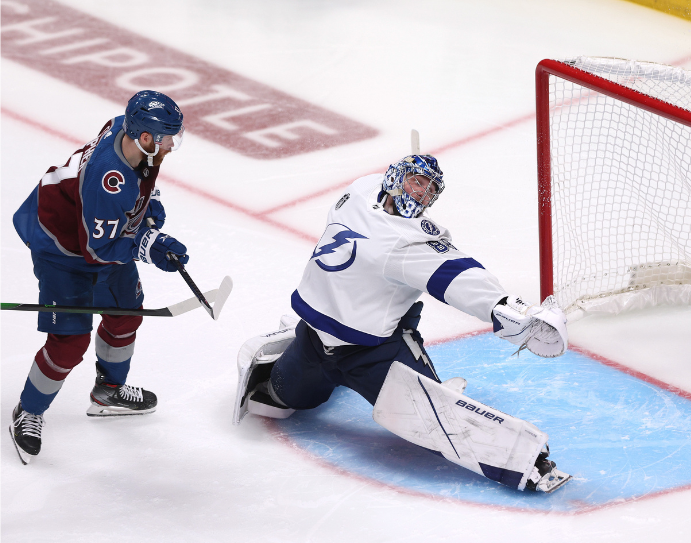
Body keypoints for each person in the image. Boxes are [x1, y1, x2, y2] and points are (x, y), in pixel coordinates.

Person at [234, 154, 573, 494]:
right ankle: (298, 351)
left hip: (373, 354)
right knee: (278, 398)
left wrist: (512, 311)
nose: (421, 194)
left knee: (434, 424)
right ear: (395, 177)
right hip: (312, 337)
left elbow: (459, 275)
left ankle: (528, 461)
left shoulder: (413, 241)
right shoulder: (359, 191)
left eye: (429, 191)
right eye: (417, 182)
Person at [8, 90, 191, 465]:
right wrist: (150, 245)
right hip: (62, 248)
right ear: (144, 137)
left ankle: (109, 391)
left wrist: (149, 208)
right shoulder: (109, 179)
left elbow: (142, 184)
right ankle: (28, 411)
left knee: (126, 313)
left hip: (94, 233)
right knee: (70, 340)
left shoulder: (129, 130)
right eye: (167, 136)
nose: (172, 143)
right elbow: (100, 251)